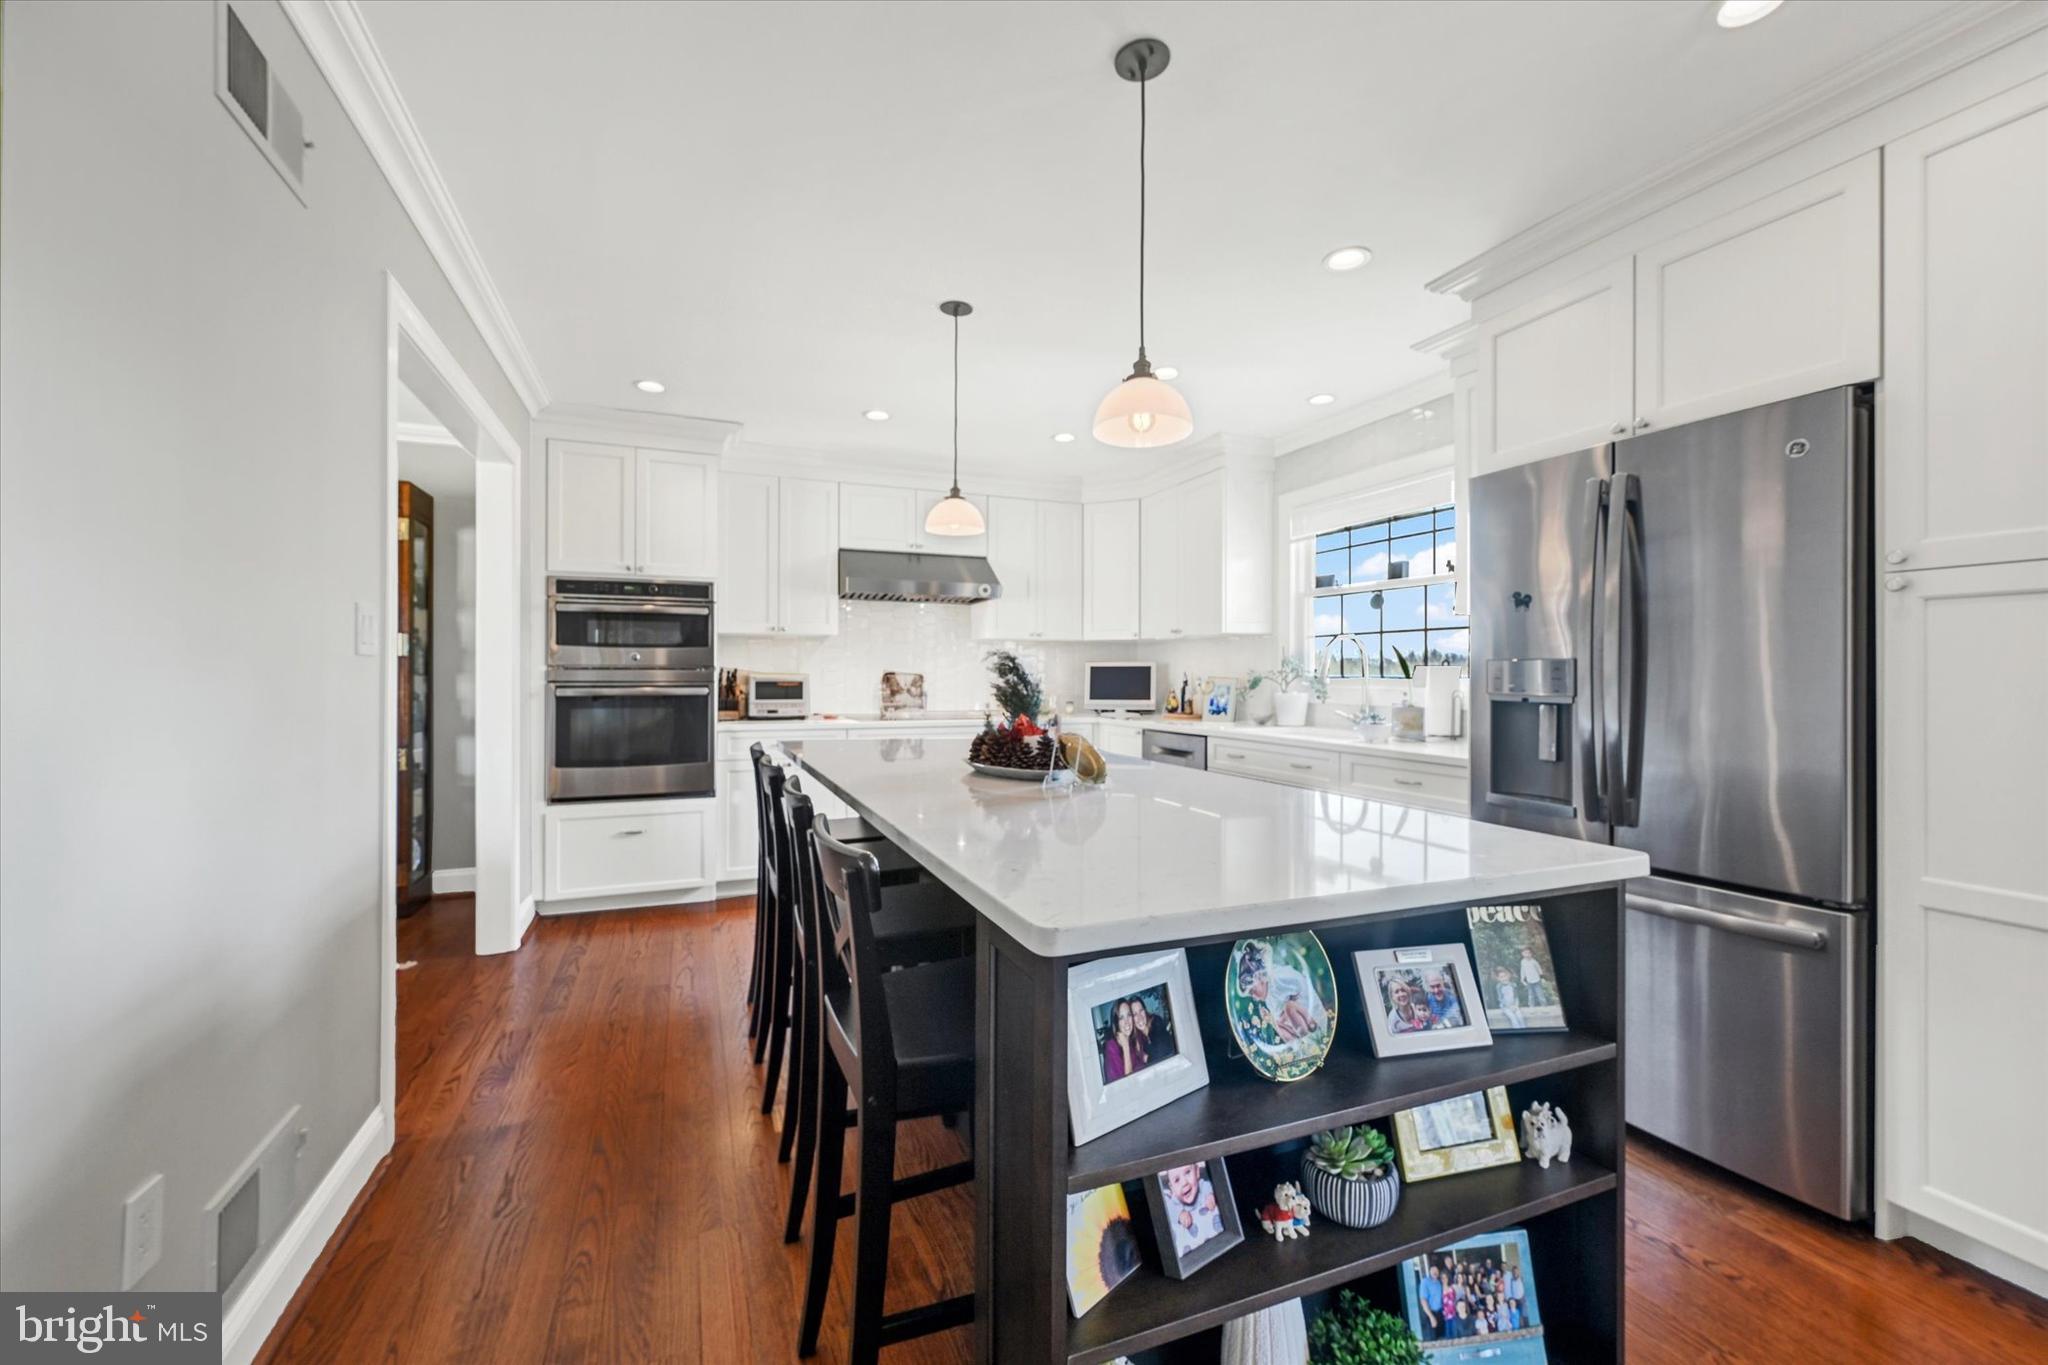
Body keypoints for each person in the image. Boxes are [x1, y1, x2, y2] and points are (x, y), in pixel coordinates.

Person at [1159, 1163, 1223, 1256]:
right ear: (1172, 1188)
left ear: (1197, 1172)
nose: (1184, 1182)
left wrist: (1210, 1195)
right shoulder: (1174, 1201)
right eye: (1177, 1180)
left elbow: (1208, 1186)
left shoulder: (1203, 1186)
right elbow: (1168, 1206)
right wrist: (1179, 1213)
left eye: (1188, 1172)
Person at [1102, 998, 1146, 1081]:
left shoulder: (1133, 1040)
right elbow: (1126, 1084)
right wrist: (1125, 1047)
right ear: (1116, 1022)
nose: (1127, 1022)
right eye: (1121, 1018)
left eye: (1129, 1015)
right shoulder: (1111, 1047)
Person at [1133, 994, 1176, 1063]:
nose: (1139, 1017)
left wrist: (1147, 1058)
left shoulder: (1156, 1022)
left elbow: (1162, 1054)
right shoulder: (1139, 1039)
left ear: (1145, 1010)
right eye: (1135, 1014)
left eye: (1141, 1010)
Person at [1417, 1263, 1445, 1340]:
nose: (1435, 1272)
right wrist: (1431, 1316)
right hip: (1429, 1314)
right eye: (1433, 1270)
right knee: (1432, 1338)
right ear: (1429, 1271)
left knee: (1440, 1337)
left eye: (1436, 1270)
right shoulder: (1425, 1282)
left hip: (1439, 1313)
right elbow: (1423, 1300)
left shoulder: (1439, 1283)